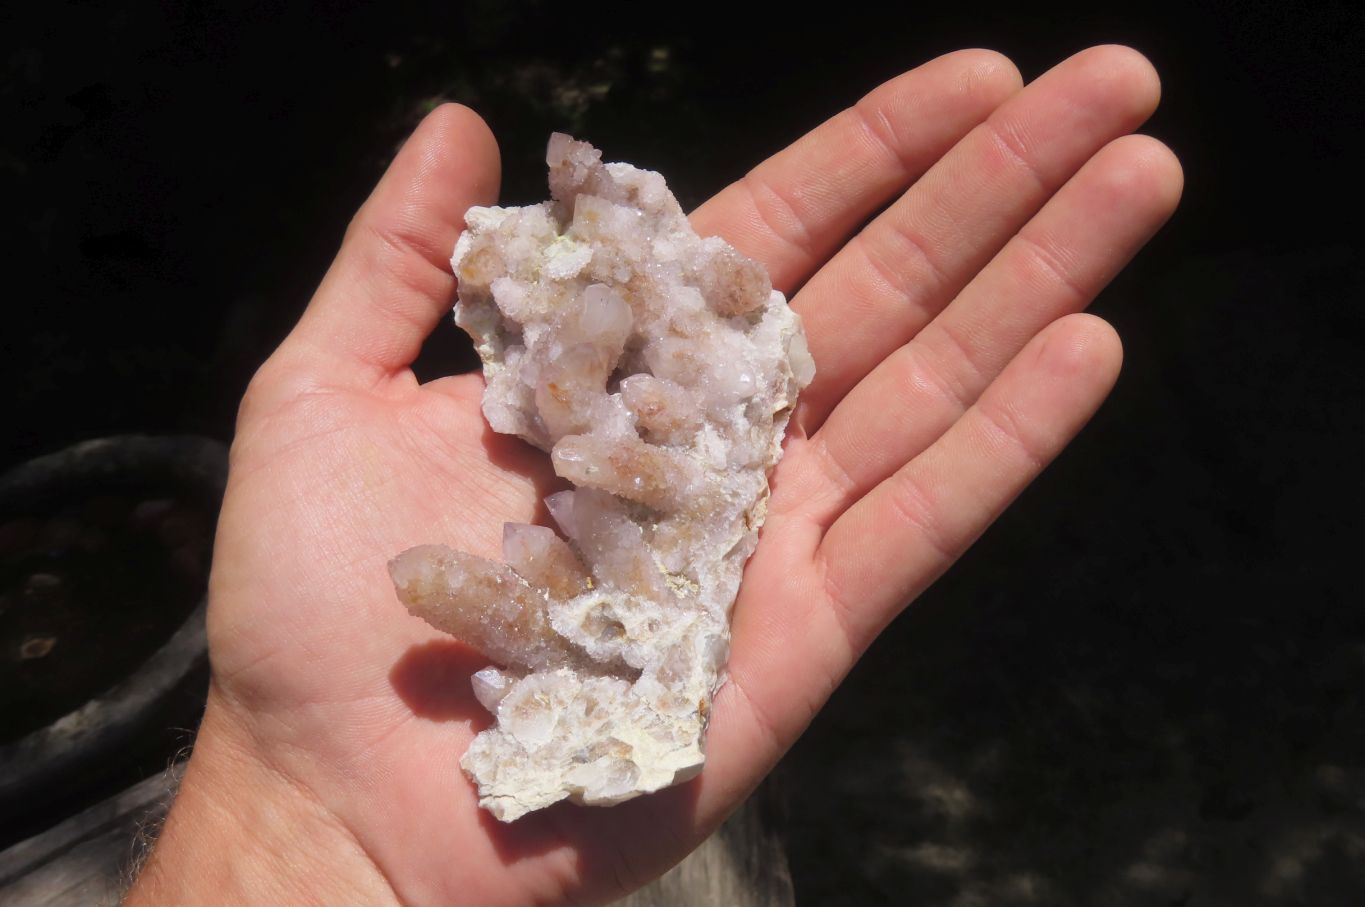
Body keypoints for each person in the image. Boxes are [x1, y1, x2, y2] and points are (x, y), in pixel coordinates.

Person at [124, 45, 1181, 906]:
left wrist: (298, 840)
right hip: (620, 605)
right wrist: (308, 821)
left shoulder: (656, 378)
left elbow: (612, 436)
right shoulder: (595, 415)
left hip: (646, 573)